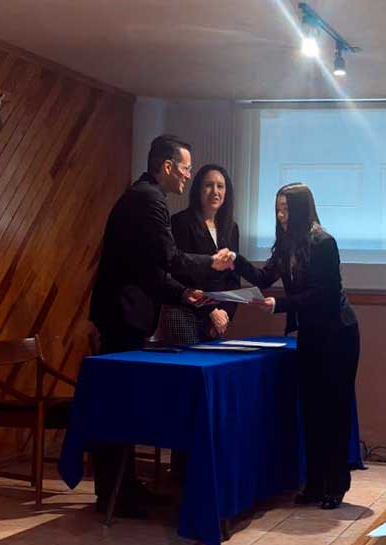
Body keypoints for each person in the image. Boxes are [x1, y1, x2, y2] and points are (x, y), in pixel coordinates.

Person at [88, 134, 236, 518]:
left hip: (125, 314)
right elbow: (169, 258)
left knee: (123, 405)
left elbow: (150, 268)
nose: (188, 175)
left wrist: (184, 294)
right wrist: (210, 263)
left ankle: (123, 489)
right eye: (186, 168)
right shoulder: (149, 199)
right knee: (119, 405)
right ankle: (115, 494)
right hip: (123, 315)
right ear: (167, 167)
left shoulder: (144, 196)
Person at [235, 182, 359, 510]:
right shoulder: (287, 244)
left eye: (286, 209)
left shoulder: (323, 242)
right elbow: (263, 278)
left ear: (302, 209)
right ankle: (315, 483)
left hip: (337, 334)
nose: (280, 215)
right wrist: (234, 260)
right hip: (311, 333)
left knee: (333, 410)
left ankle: (336, 484)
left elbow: (323, 295)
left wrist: (280, 305)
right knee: (311, 410)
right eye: (278, 209)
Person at [163, 164, 241, 344]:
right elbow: (180, 272)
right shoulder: (181, 222)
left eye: (220, 186)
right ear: (198, 189)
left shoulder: (231, 228)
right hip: (185, 313)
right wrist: (210, 310)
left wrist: (225, 312)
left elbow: (233, 277)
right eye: (208, 185)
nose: (215, 191)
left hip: (218, 318)